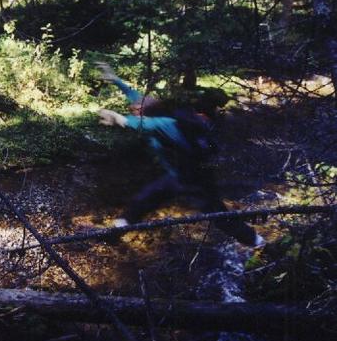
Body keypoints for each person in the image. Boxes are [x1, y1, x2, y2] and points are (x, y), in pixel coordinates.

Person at [96, 63, 263, 247]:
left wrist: (118, 118)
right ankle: (115, 233)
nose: (132, 108)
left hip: (194, 181)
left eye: (135, 109)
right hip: (177, 176)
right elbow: (134, 97)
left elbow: (140, 124)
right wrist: (116, 81)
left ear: (142, 111)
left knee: (220, 216)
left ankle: (257, 243)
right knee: (142, 200)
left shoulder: (162, 124)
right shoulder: (156, 110)